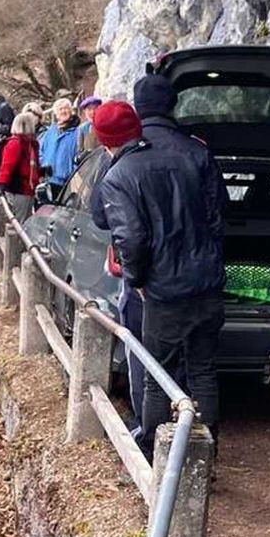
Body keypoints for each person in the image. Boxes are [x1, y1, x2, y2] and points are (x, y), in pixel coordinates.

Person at [91, 100, 227, 459]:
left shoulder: (118, 176)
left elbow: (131, 239)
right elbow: (215, 215)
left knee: (155, 377)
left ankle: (154, 458)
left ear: (106, 141)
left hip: (165, 291)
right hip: (208, 282)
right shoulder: (189, 157)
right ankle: (206, 457)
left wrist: (137, 280)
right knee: (203, 371)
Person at [0, 112, 40, 220]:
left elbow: (31, 166)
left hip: (28, 190)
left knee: (25, 219)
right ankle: (15, 237)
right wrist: (2, 185)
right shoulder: (16, 144)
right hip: (19, 190)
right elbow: (7, 166)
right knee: (21, 221)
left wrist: (42, 171)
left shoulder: (30, 143)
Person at [38, 97, 80, 188]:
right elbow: (40, 151)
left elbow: (80, 155)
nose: (64, 111)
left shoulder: (77, 132)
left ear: (71, 111)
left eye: (66, 108)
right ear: (56, 114)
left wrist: (72, 172)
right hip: (47, 180)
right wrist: (43, 166)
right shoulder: (49, 132)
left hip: (67, 182)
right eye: (60, 109)